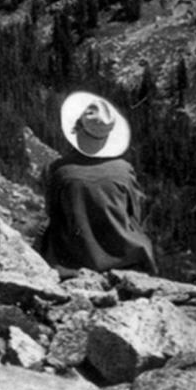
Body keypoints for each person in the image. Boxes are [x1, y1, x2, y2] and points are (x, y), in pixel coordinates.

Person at [35, 91, 159, 275]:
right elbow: (134, 214)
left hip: (72, 257)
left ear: (77, 129)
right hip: (125, 253)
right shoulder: (124, 170)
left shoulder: (59, 170)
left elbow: (52, 211)